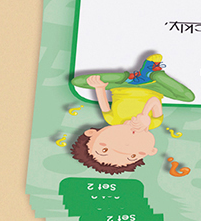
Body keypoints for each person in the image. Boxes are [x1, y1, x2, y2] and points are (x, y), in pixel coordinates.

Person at [66, 53, 194, 173]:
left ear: (92, 133)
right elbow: (154, 100)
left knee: (78, 82)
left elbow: (103, 102)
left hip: (122, 85)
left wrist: (99, 88)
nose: (126, 146)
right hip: (153, 87)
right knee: (188, 97)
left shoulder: (112, 119)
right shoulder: (154, 123)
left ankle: (130, 77)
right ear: (151, 151)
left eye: (104, 149)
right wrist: (145, 115)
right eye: (132, 155)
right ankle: (152, 75)